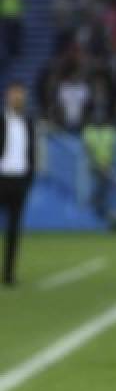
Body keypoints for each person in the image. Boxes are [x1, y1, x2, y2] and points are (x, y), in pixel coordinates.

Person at [1, 82, 35, 286]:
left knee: (14, 230)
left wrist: (29, 178)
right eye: (14, 94)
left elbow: (31, 152)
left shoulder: (29, 123)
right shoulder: (1, 121)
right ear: (7, 97)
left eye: (21, 95)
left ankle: (8, 274)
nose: (18, 98)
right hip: (1, 178)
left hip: (20, 181)